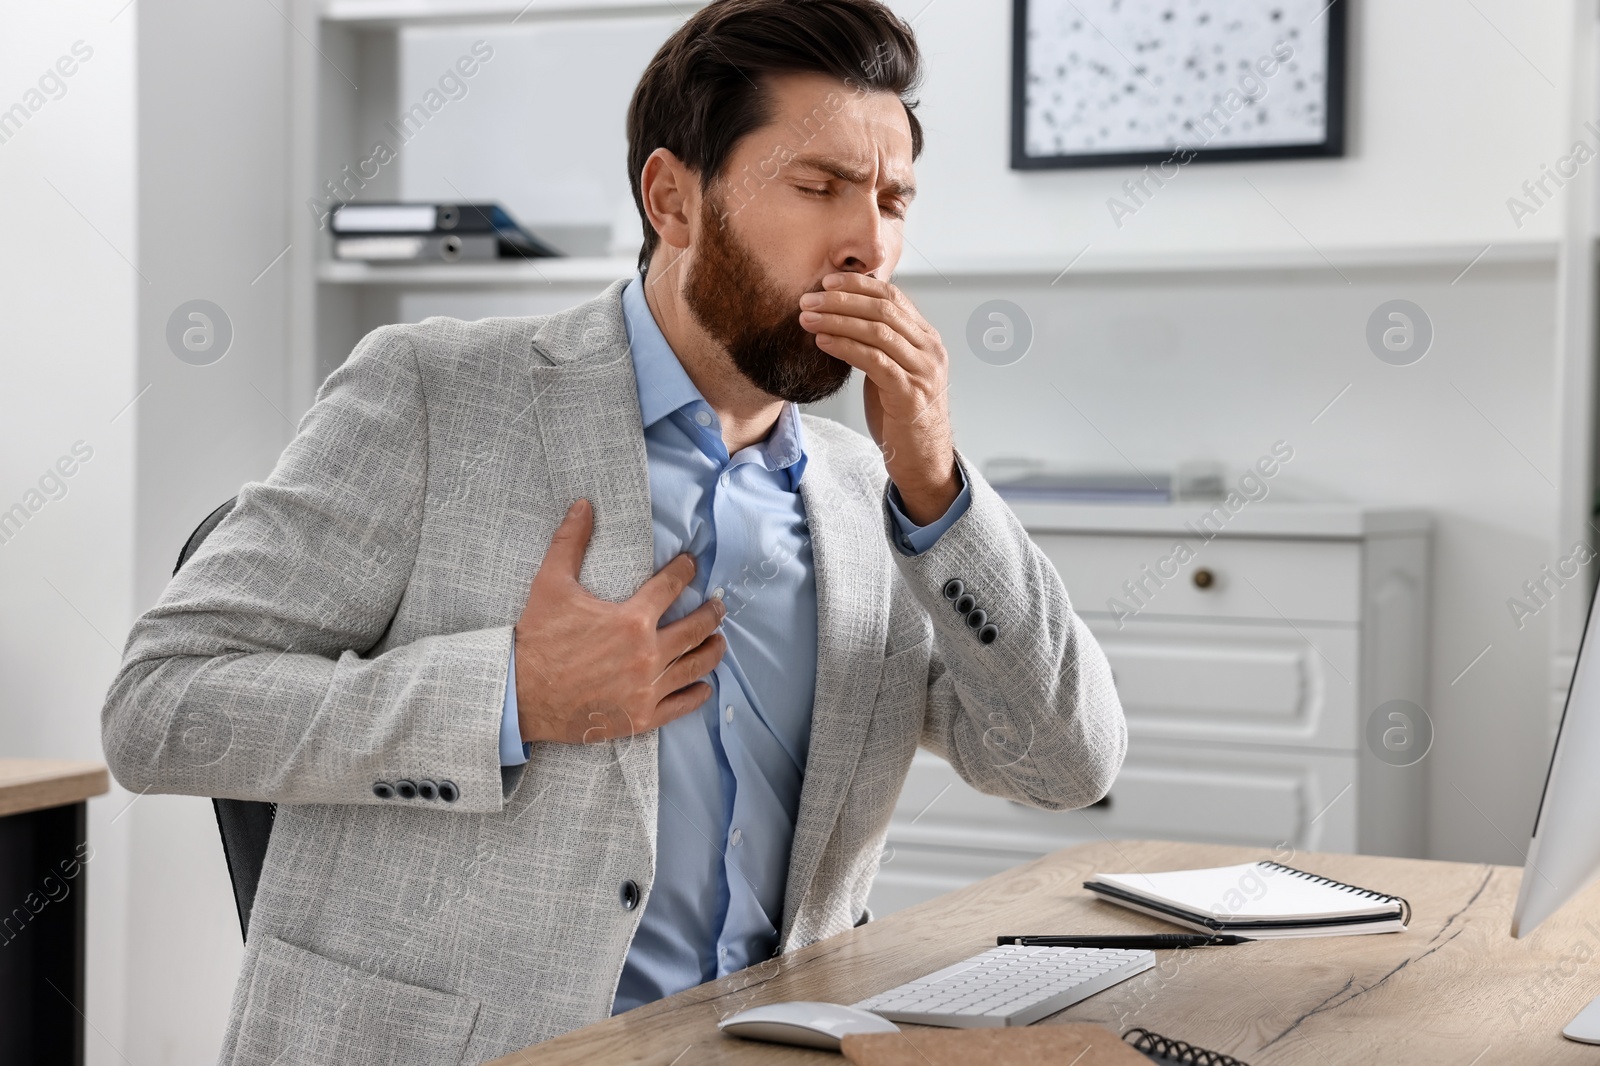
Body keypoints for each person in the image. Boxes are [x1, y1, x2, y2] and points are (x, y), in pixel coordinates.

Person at [100, 0, 1125, 1061]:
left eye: (894, 199)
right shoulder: (434, 393)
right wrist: (508, 694)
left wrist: (938, 487)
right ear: (672, 199)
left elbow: (1067, 763)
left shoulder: (880, 499)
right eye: (819, 187)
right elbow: (159, 709)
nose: (868, 242)